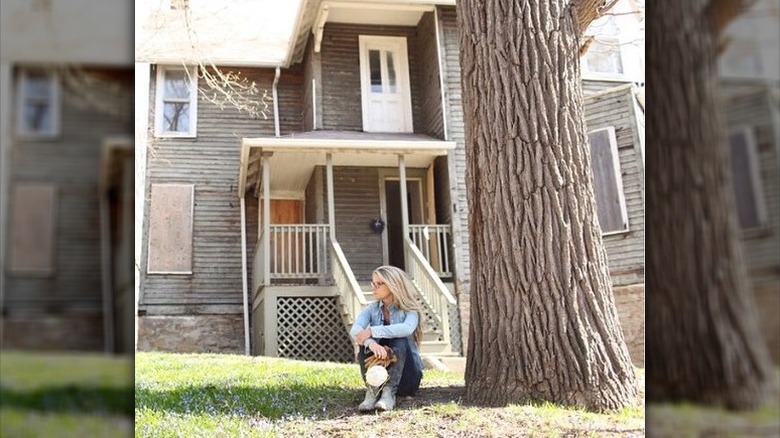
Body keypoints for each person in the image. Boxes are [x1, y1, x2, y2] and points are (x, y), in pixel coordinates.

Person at [350, 265, 425, 411]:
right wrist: (371, 344)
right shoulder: (372, 309)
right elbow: (355, 331)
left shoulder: (409, 310)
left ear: (393, 285)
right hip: (376, 378)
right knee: (364, 342)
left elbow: (406, 328)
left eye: (379, 284)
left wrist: (372, 331)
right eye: (373, 283)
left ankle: (389, 393)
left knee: (399, 339)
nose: (374, 287)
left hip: (406, 379)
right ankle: (372, 393)